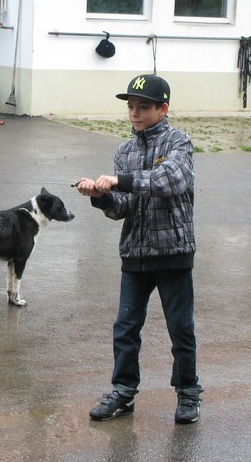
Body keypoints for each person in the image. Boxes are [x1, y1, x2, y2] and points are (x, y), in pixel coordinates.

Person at [74, 74, 203, 425]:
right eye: (131, 107)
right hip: (135, 253)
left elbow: (170, 180)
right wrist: (101, 197)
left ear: (163, 109)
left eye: (143, 107)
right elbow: (124, 207)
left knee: (180, 328)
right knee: (126, 328)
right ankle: (123, 392)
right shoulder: (125, 151)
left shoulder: (179, 142)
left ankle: (188, 393)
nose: (135, 113)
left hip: (173, 251)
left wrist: (120, 180)